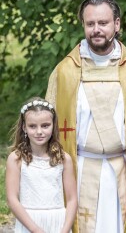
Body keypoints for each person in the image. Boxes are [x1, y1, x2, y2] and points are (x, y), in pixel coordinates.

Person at [46, 0, 126, 233]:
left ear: (117, 24)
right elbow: (48, 131)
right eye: (90, 24)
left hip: (123, 170)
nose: (96, 30)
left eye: (103, 23)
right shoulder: (65, 72)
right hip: (80, 168)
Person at [6, 97, 77, 233]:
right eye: (32, 126)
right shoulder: (16, 159)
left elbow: (72, 199)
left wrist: (65, 230)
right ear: (24, 127)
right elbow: (12, 199)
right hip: (29, 224)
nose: (39, 131)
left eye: (45, 125)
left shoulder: (63, 158)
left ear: (53, 125)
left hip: (59, 223)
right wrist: (36, 229)